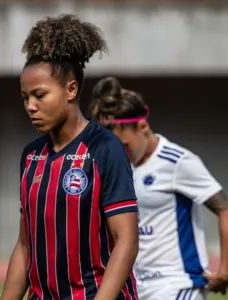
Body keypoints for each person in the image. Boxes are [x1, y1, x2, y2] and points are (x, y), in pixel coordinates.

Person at [1, 15, 139, 300]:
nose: (30, 106)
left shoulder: (105, 148)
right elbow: (25, 246)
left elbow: (126, 241)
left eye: (40, 95)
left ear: (71, 89)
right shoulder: (31, 156)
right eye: (25, 97)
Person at [90, 76, 228, 300]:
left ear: (143, 126)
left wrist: (225, 270)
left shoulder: (177, 162)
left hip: (176, 286)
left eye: (124, 145)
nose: (119, 152)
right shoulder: (118, 167)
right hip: (136, 287)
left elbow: (224, 208)